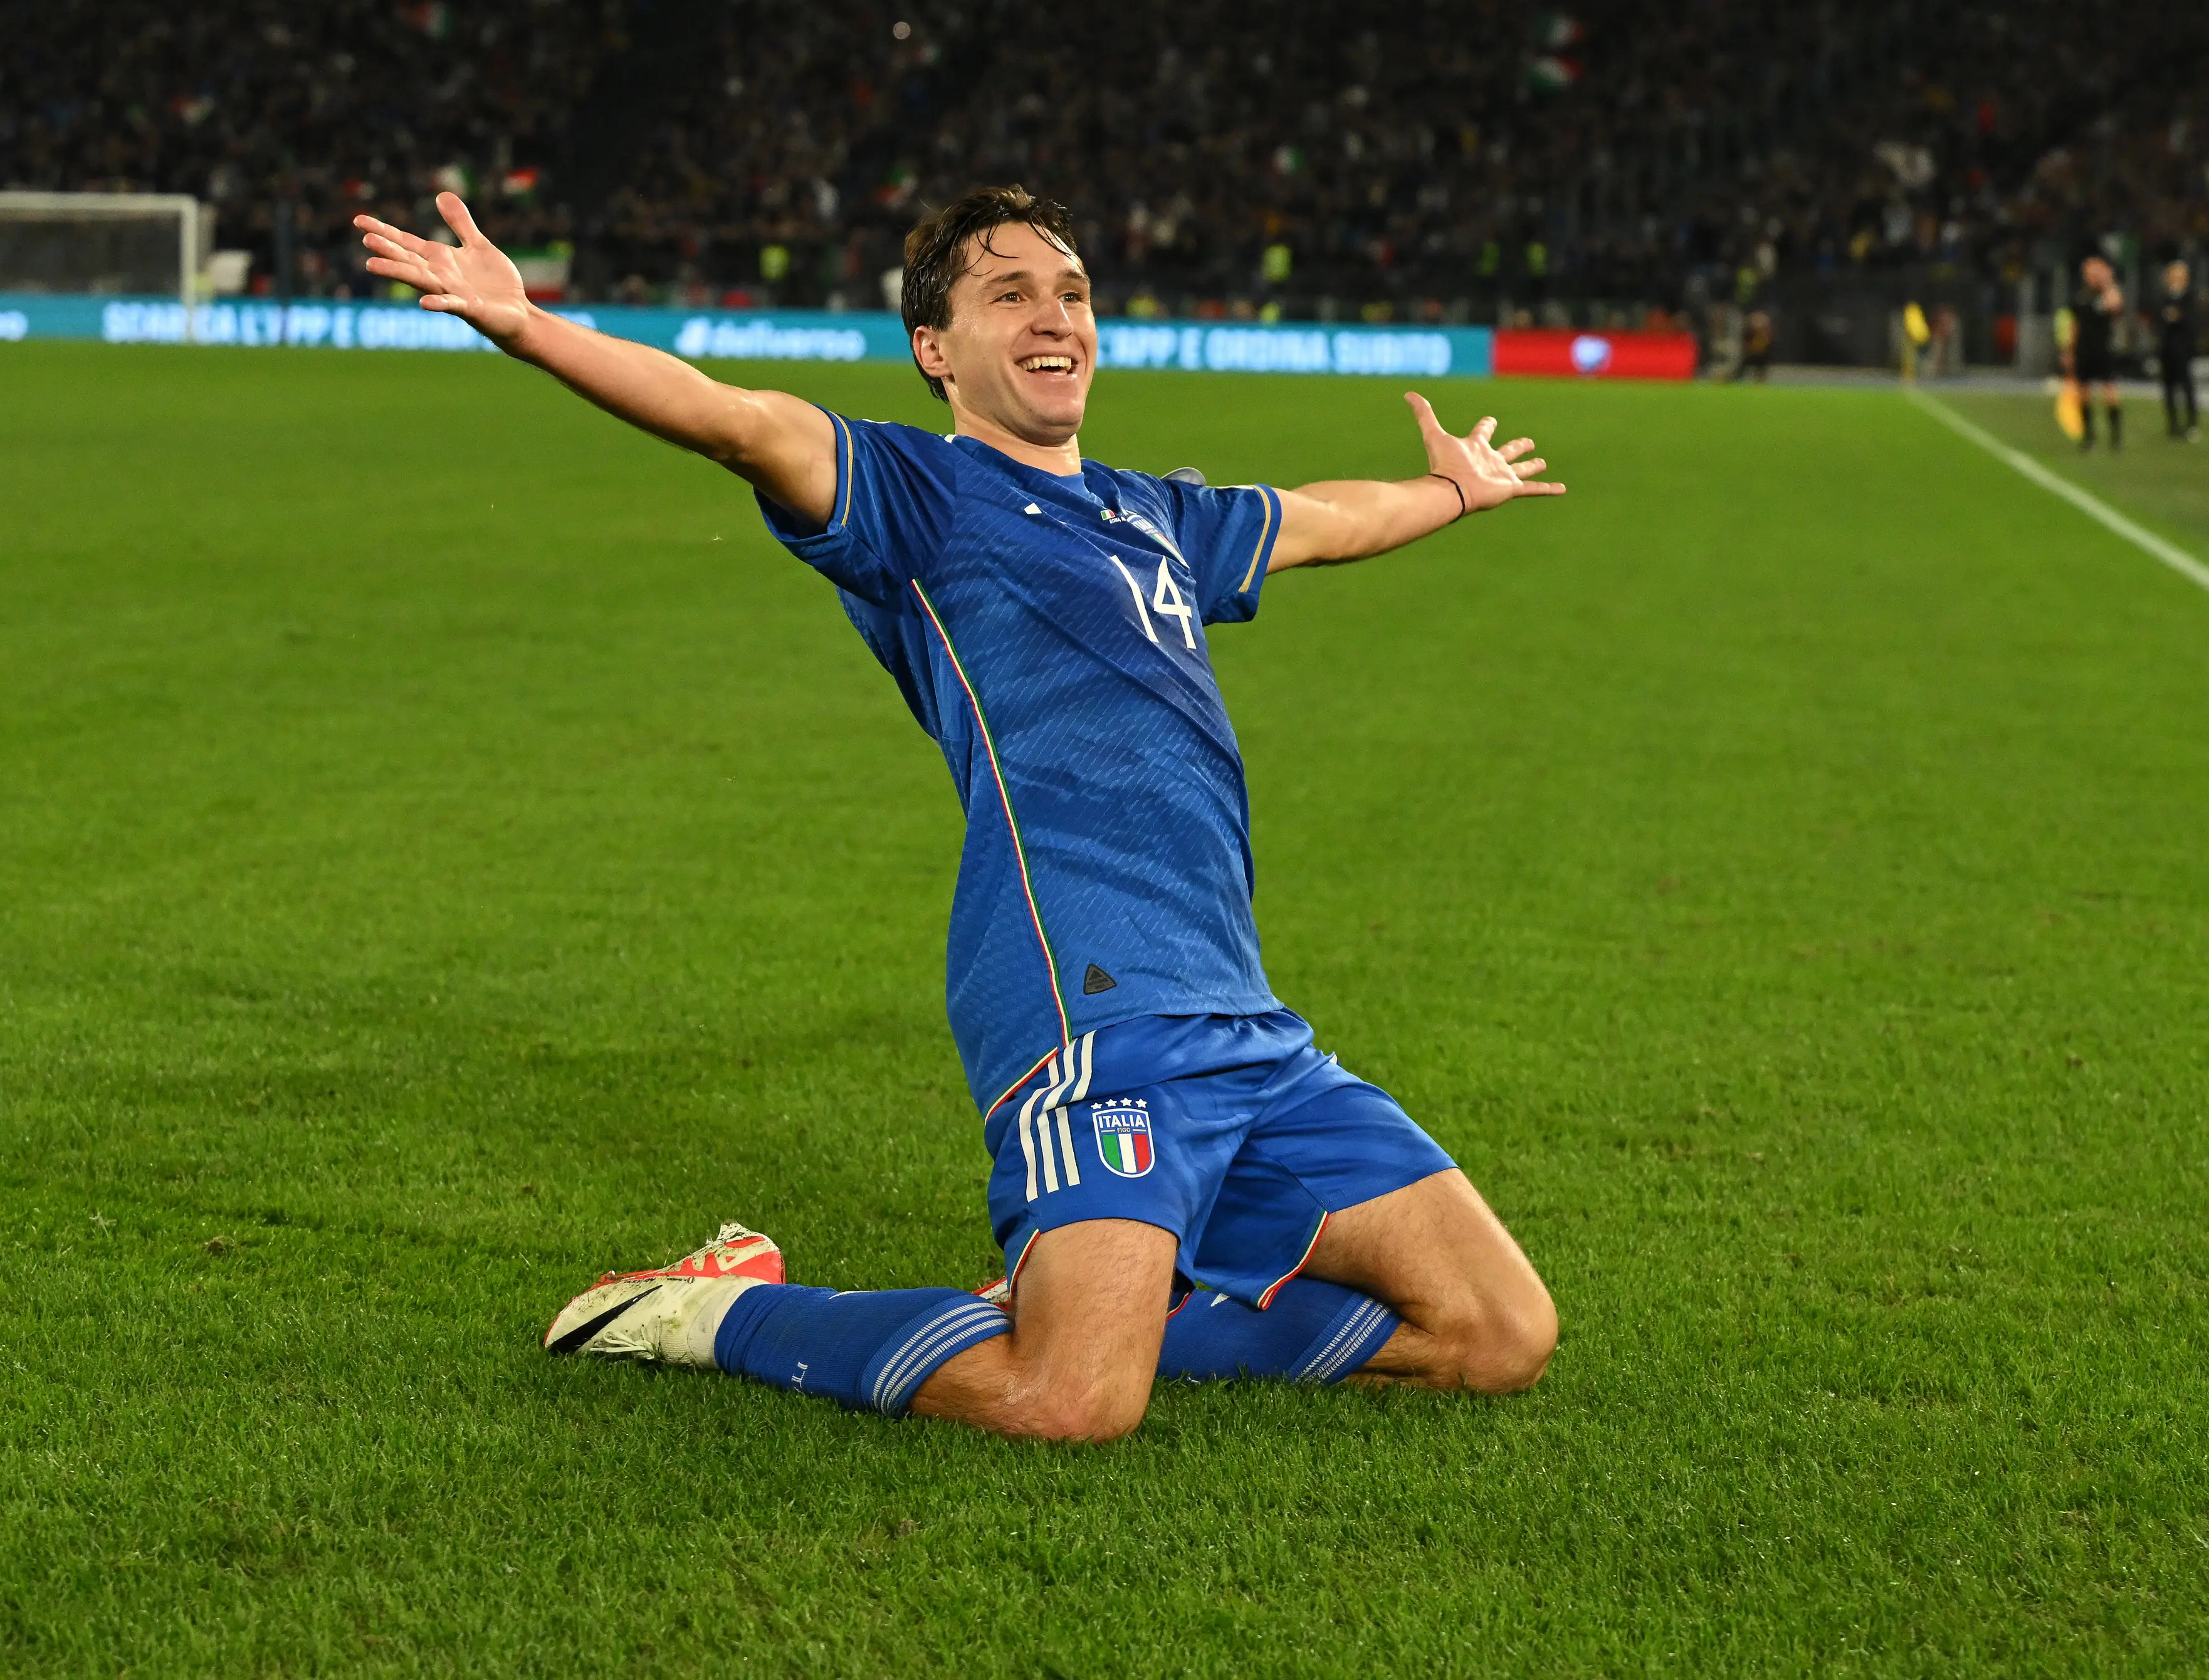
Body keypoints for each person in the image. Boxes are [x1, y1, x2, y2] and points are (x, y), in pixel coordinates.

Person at [352, 184, 1563, 1442]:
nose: (1055, 318)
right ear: (935, 348)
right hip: (1091, 1005)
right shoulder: (916, 494)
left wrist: (1453, 491)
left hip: (1249, 1027)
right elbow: (732, 419)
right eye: (1011, 294)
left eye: (1072, 293)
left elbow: (1322, 519)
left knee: (1498, 1332)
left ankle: (1092, 1302)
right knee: (1069, 1402)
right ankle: (717, 1311)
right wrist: (529, 325)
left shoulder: (1155, 515)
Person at [2064, 254, 2125, 452]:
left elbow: (2115, 306)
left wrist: (2107, 282)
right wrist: (2069, 350)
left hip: (2103, 348)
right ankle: (2089, 436)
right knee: (2084, 393)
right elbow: (2074, 325)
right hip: (2084, 348)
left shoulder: (2108, 293)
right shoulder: (2081, 297)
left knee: (2110, 391)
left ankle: (2116, 437)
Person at [2154, 260, 2200, 441]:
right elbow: (2158, 321)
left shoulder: (2190, 297)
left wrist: (2179, 317)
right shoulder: (2163, 298)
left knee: (2187, 386)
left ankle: (2192, 424)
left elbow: (2193, 322)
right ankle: (2173, 425)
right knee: (2168, 388)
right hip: (2166, 349)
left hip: (2183, 349)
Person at [1732, 307, 1773, 381]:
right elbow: (1746, 345)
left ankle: (1759, 379)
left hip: (1761, 355)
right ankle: (1735, 378)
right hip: (1751, 354)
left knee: (1761, 366)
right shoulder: (1749, 332)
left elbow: (1767, 344)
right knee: (1742, 365)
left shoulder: (1765, 333)